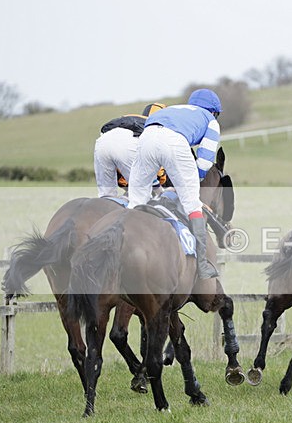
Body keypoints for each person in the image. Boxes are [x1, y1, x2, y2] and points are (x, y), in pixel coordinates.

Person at [126, 88, 222, 280]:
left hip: (147, 136)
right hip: (174, 141)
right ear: (214, 112)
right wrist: (195, 180)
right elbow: (204, 162)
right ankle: (202, 265)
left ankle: (125, 247)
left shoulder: (174, 109)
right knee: (193, 205)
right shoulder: (209, 120)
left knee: (135, 201)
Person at [93, 102, 165, 197]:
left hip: (102, 142)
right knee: (145, 194)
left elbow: (121, 180)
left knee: (106, 195)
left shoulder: (133, 118)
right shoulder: (158, 128)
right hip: (128, 143)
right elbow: (156, 172)